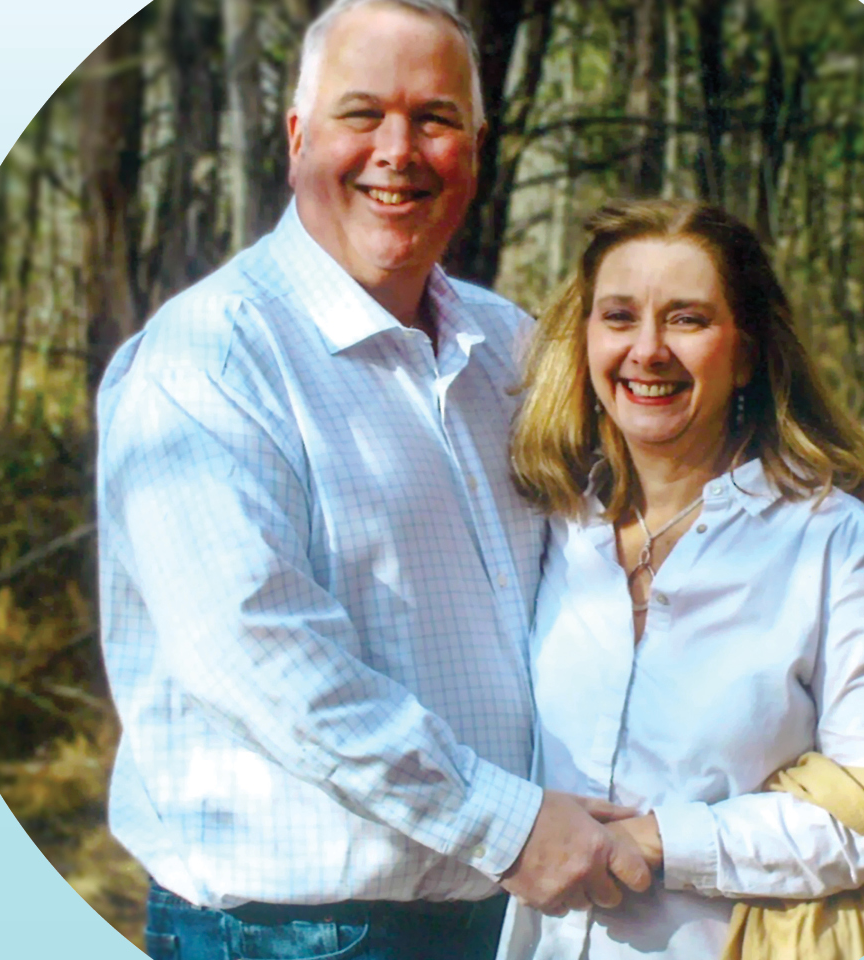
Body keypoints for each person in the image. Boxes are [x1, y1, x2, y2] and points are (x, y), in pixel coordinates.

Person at [95, 3, 649, 958]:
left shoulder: (510, 349)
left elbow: (621, 562)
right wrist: (507, 826)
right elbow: (256, 654)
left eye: (435, 119)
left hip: (510, 913)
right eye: (363, 114)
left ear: (475, 148)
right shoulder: (210, 359)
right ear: (298, 138)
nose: (399, 151)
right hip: (292, 934)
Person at [499, 199, 864, 960]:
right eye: (619, 317)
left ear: (747, 353)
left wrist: (663, 840)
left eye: (687, 320)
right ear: (586, 338)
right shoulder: (546, 525)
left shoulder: (833, 547)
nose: (648, 351)